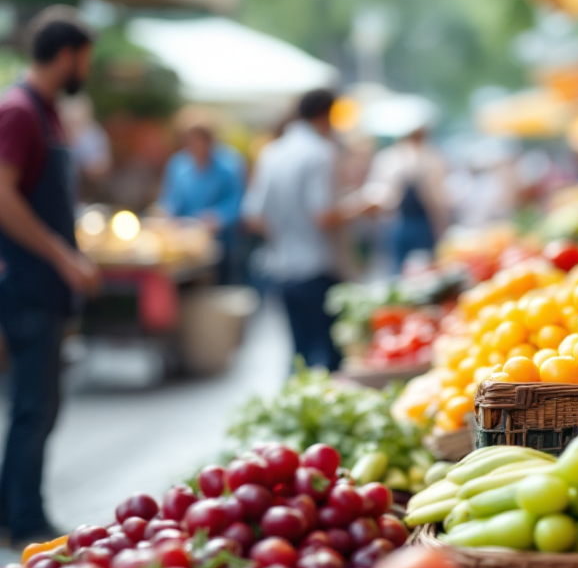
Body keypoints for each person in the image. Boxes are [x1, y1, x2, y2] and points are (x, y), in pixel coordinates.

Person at [0, 6, 101, 544]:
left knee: (39, 404)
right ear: (67, 56)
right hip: (28, 284)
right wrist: (62, 254)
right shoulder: (18, 111)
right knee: (34, 406)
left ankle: (12, 507)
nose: (85, 69)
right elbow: (2, 196)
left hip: (45, 285)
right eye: (85, 59)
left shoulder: (46, 112)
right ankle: (24, 519)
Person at [243, 89, 364, 371]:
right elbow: (323, 216)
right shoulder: (320, 153)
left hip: (283, 267)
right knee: (331, 358)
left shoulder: (272, 152)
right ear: (326, 115)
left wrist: (286, 234)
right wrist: (362, 207)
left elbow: (254, 216)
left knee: (300, 355)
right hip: (319, 268)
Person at [158, 113, 246, 284]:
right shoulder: (178, 164)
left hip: (220, 241)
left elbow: (238, 200)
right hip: (185, 241)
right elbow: (171, 198)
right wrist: (165, 212)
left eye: (200, 139)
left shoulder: (229, 163)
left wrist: (218, 217)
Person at [362, 124, 449, 272]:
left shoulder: (430, 156)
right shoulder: (391, 158)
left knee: (422, 267)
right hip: (401, 220)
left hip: (419, 221)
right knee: (409, 266)